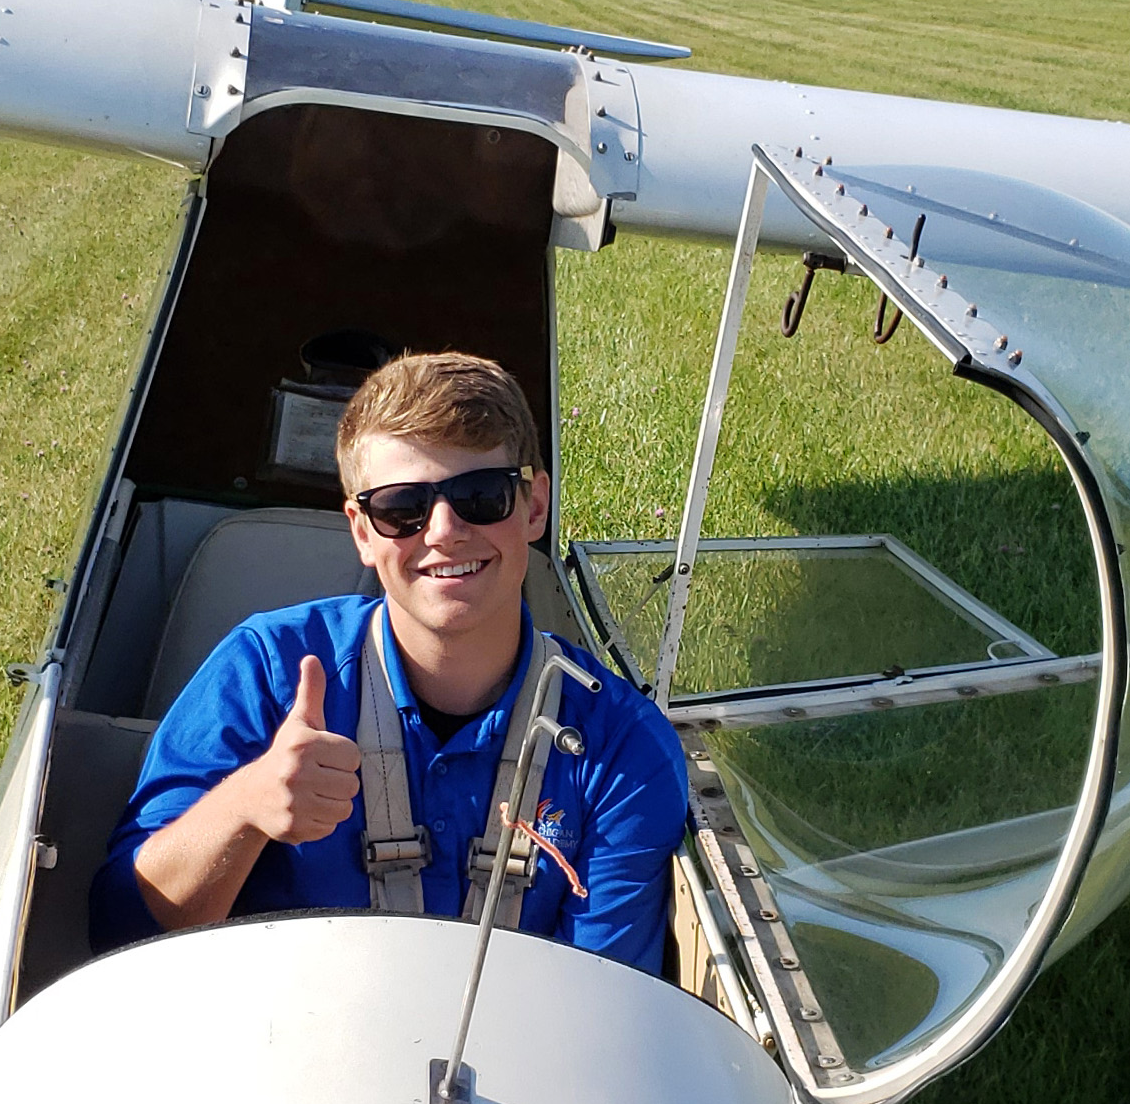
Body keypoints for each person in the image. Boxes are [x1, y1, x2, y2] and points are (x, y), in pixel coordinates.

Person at [87, 352, 688, 973]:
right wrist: (246, 806)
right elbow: (119, 931)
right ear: (362, 531)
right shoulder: (268, 669)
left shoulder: (622, 747)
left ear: (534, 507)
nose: (444, 531)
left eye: (481, 496)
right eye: (402, 507)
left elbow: (606, 1003)